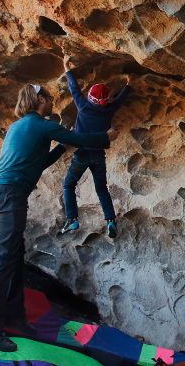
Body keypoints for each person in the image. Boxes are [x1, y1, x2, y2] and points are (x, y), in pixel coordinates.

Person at [0, 83, 117, 352]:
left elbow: (38, 163)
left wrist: (61, 147)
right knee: (4, 259)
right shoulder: (39, 124)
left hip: (0, 193)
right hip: (8, 195)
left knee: (13, 256)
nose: (52, 100)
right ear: (38, 99)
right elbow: (81, 139)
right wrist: (104, 136)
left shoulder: (19, 127)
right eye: (48, 96)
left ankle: (15, 317)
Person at [59, 56, 130, 238]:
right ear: (107, 100)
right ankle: (110, 221)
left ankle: (72, 219)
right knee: (101, 189)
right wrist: (129, 84)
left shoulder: (82, 106)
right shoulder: (109, 108)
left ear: (89, 97)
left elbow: (74, 88)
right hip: (98, 155)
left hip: (81, 154)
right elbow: (120, 99)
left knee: (68, 185)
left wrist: (67, 69)